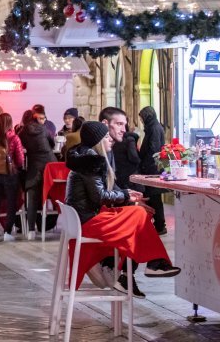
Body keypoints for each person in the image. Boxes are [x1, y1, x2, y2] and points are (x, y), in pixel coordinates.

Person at [65, 121, 180, 298]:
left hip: (86, 218)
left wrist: (127, 197)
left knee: (141, 213)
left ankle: (131, 273)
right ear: (98, 141)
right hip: (89, 223)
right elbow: (100, 196)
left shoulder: (85, 158)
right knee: (139, 215)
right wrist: (127, 196)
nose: (110, 139)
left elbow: (104, 192)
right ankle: (148, 265)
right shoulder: (91, 162)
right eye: (106, 137)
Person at [0, 112, 25, 244]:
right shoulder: (14, 138)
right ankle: (8, 232)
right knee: (11, 203)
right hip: (10, 175)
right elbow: (20, 160)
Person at [19, 109, 56, 240]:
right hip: (49, 166)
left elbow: (20, 147)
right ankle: (49, 225)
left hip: (34, 167)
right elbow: (52, 144)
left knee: (32, 197)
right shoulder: (43, 129)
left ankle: (31, 231)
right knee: (55, 195)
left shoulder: (22, 132)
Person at [138, 106, 167, 234]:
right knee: (152, 197)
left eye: (142, 117)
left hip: (152, 169)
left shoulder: (154, 128)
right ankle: (157, 224)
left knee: (154, 197)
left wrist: (145, 164)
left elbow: (154, 149)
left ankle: (160, 225)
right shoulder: (152, 127)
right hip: (151, 167)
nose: (141, 120)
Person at [113, 124, 141, 191]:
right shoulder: (130, 139)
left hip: (117, 171)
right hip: (129, 171)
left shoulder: (115, 138)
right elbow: (133, 157)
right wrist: (140, 162)